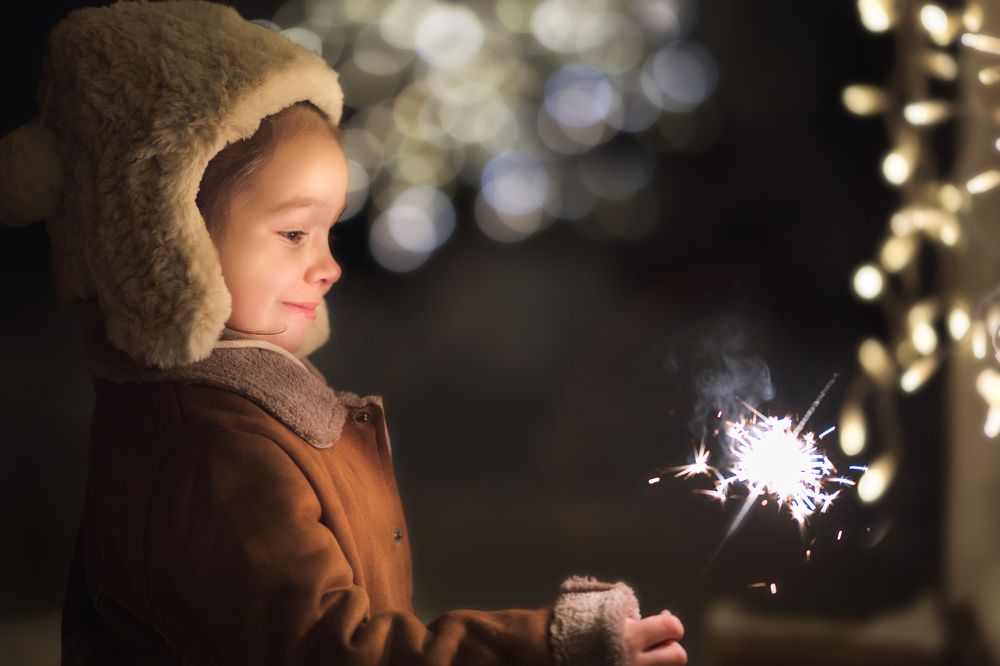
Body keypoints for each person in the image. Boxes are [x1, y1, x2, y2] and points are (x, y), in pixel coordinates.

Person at [0, 1, 687, 663]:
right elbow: (330, 650)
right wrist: (551, 648)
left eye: (329, 231)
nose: (328, 266)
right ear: (169, 239)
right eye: (294, 233)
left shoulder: (238, 413)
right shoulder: (214, 449)